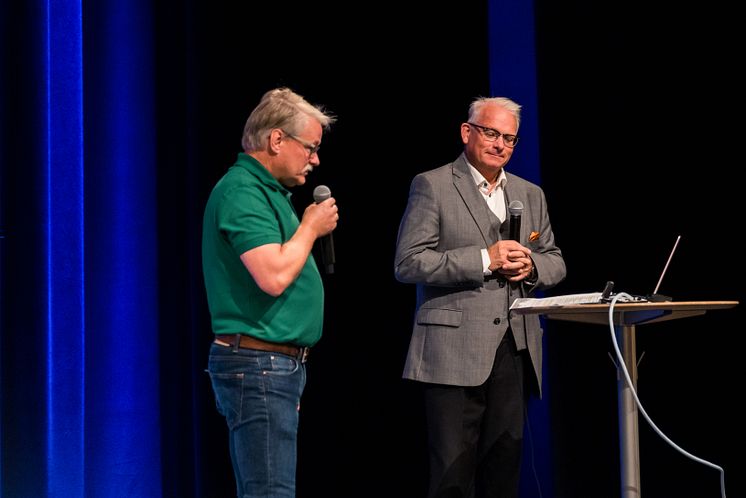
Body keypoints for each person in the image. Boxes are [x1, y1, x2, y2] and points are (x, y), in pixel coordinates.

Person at [394, 96, 566, 498]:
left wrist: (532, 268)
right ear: (466, 132)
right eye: (491, 133)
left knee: (504, 469)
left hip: (515, 348)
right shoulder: (432, 184)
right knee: (453, 477)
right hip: (452, 350)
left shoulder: (530, 193)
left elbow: (555, 260)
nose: (500, 144)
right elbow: (408, 262)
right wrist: (484, 259)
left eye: (509, 138)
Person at [202, 87, 337, 498]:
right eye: (310, 147)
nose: (315, 159)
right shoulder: (242, 191)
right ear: (277, 140)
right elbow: (273, 275)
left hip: (274, 366)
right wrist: (310, 228)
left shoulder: (268, 192)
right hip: (259, 364)